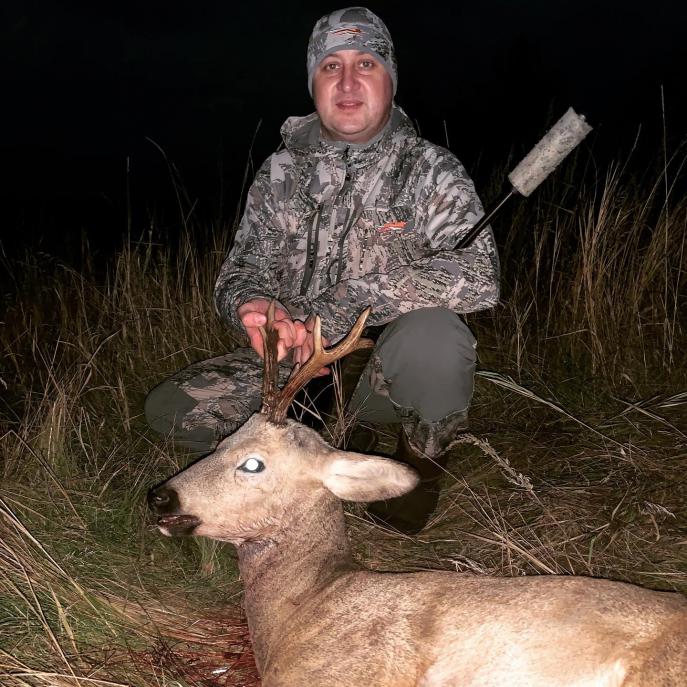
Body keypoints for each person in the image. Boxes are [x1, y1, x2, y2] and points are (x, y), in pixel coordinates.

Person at [145, 7, 499, 533]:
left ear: (391, 80)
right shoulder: (279, 172)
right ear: (314, 83)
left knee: (436, 336)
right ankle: (321, 459)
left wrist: (340, 308)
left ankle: (412, 482)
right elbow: (241, 272)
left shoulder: (431, 169)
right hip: (298, 372)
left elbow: (480, 276)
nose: (348, 82)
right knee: (170, 410)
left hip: (385, 376)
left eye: (366, 64)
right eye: (331, 66)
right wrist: (254, 306)